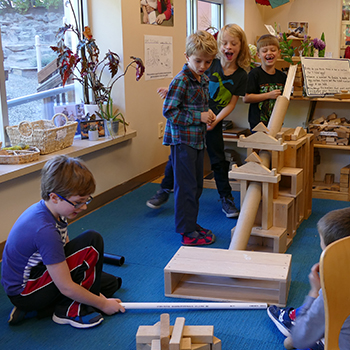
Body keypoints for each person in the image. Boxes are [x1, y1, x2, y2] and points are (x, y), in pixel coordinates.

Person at [1, 155, 125, 329]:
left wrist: (98, 297)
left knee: (109, 283)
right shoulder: (45, 230)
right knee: (92, 242)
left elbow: (65, 250)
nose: (84, 207)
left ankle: (38, 310)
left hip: (39, 278)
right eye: (78, 202)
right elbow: (66, 286)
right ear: (54, 197)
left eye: (87, 200)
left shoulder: (54, 210)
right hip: (26, 292)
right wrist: (102, 304)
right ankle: (68, 311)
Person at [147, 24, 250, 219]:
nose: (228, 47)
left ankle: (226, 198)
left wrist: (214, 120)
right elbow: (186, 82)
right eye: (225, 43)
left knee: (217, 160)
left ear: (240, 46)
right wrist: (171, 92)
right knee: (179, 160)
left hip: (212, 121)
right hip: (191, 124)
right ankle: (165, 189)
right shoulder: (210, 63)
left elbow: (231, 103)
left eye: (233, 43)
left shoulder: (239, 74)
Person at [162, 30, 217, 246]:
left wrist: (208, 114)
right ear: (187, 56)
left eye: (208, 62)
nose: (203, 66)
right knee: (185, 188)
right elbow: (170, 112)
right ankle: (186, 232)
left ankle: (191, 224)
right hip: (182, 142)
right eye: (198, 61)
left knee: (196, 186)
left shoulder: (202, 78)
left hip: (197, 139)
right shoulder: (181, 80)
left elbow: (198, 107)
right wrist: (199, 116)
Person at [267, 207, 350, 350]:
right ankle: (298, 318)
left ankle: (297, 320)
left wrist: (314, 292)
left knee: (291, 342)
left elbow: (300, 339)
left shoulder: (334, 293)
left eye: (324, 251)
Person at [243, 34, 287, 130]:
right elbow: (246, 98)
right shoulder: (254, 74)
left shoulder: (282, 76)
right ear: (258, 54)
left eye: (273, 50)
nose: (269, 53)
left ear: (279, 53)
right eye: (264, 51)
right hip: (258, 124)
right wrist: (268, 95)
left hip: (276, 123)